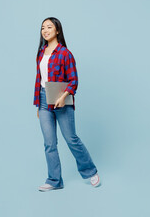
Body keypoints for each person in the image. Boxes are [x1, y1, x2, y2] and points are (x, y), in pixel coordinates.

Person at [33, 17, 101, 191]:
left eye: (49, 27)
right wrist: (38, 105)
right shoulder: (41, 52)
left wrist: (63, 97)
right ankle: (54, 181)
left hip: (62, 99)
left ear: (57, 31)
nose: (45, 30)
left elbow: (73, 80)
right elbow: (39, 79)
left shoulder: (65, 53)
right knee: (49, 143)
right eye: (43, 28)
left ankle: (90, 171)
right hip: (43, 99)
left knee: (71, 139)